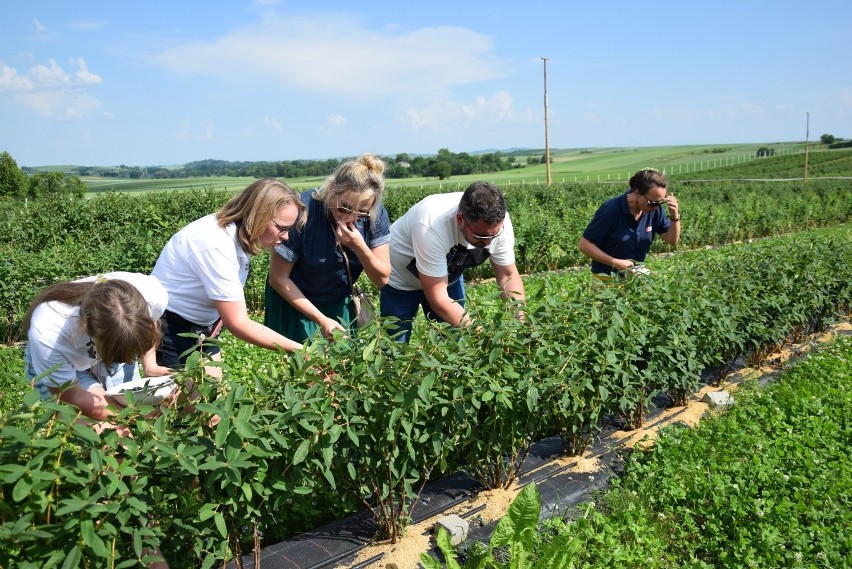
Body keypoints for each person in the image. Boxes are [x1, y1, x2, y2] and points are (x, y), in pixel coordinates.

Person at [151, 178, 307, 372]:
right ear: (257, 216)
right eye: (281, 228)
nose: (286, 237)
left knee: (211, 392)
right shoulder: (215, 244)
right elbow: (238, 322)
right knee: (183, 398)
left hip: (204, 327)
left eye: (290, 229)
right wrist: (302, 350)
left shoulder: (235, 236)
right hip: (174, 331)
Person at [265, 154, 391, 342]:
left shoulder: (375, 214)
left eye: (361, 213)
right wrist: (321, 319)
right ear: (331, 190)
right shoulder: (302, 211)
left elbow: (382, 278)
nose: (349, 218)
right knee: (306, 365)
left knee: (343, 365)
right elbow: (278, 278)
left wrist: (359, 247)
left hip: (338, 301)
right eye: (344, 209)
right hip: (297, 301)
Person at [381, 181, 526, 343]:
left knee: (454, 342)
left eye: (494, 236)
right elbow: (438, 299)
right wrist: (484, 336)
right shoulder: (431, 225)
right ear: (460, 219)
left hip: (447, 278)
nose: (489, 242)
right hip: (401, 282)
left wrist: (521, 324)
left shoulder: (500, 223)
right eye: (480, 236)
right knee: (394, 345)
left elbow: (507, 275)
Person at [23, 272, 170, 430]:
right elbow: (74, 397)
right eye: (121, 355)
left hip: (113, 343)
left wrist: (150, 366)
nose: (129, 361)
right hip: (64, 364)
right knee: (115, 434)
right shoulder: (48, 333)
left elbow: (149, 324)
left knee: (131, 406)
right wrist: (134, 415)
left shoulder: (151, 294)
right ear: (86, 329)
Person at [578, 167, 681, 278]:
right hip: (607, 277)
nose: (656, 207)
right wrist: (615, 262)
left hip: (634, 275)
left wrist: (674, 216)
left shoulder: (654, 209)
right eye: (653, 203)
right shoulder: (611, 209)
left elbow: (671, 240)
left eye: (661, 202)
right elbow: (584, 245)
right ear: (637, 192)